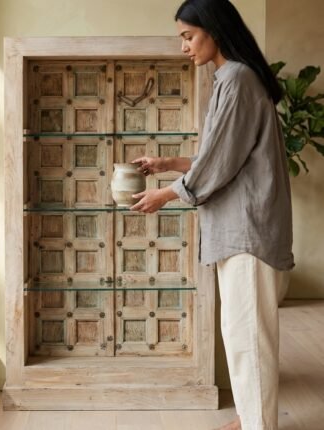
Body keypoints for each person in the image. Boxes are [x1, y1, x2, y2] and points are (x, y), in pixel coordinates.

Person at [130, 1, 295, 429]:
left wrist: (165, 195)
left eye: (189, 36)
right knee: (240, 333)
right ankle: (249, 416)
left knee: (249, 337)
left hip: (247, 230)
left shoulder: (237, 79)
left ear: (215, 31)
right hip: (237, 229)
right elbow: (221, 155)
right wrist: (168, 163)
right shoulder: (230, 78)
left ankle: (259, 425)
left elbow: (219, 164)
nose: (184, 47)